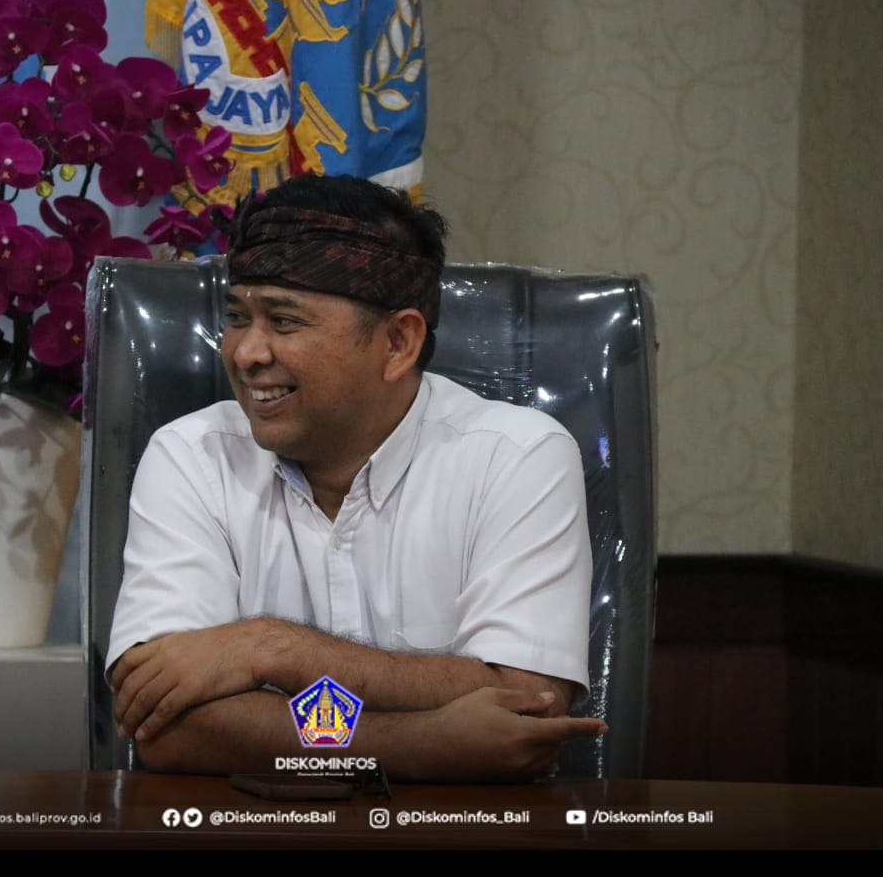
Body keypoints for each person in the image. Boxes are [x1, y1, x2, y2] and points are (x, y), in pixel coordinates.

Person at [107, 174, 606, 782]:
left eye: (284, 321)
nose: (245, 353)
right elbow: (166, 729)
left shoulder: (517, 457)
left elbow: (526, 703)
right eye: (237, 317)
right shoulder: (191, 456)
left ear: (397, 343)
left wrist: (271, 648)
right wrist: (419, 743)